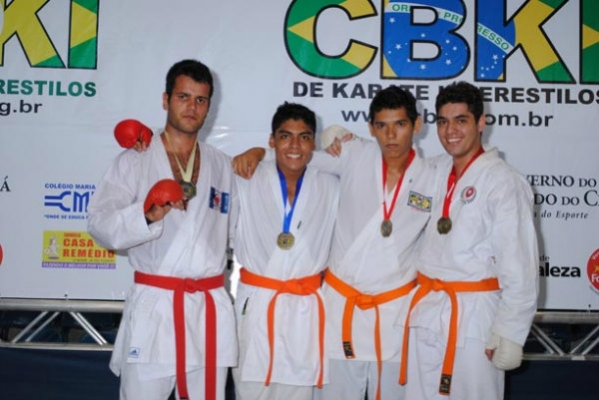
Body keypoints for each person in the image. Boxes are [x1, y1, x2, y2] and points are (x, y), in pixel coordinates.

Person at [234, 86, 437, 400]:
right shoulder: (355, 154)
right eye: (382, 126)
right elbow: (296, 158)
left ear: (417, 125)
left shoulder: (433, 176)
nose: (391, 135)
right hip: (342, 309)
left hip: (394, 314)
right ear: (370, 127)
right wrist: (258, 152)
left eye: (400, 124)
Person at [87, 59, 237, 400]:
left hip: (206, 312)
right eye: (183, 97)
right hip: (155, 310)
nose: (192, 107)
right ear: (165, 99)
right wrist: (146, 215)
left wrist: (257, 154)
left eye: (200, 100)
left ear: (209, 107)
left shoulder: (222, 165)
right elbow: (99, 224)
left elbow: (238, 231)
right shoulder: (135, 159)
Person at [399, 81, 539, 400]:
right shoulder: (435, 170)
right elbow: (391, 162)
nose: (450, 131)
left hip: (475, 319)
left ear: (481, 122)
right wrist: (346, 143)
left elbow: (519, 262)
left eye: (460, 120)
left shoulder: (503, 181)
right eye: (443, 121)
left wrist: (510, 330)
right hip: (428, 310)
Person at [230, 102, 339, 400]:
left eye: (304, 137)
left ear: (314, 143)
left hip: (304, 311)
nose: (294, 145)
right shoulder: (245, 178)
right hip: (257, 304)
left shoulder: (331, 186)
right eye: (285, 136)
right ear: (271, 140)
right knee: (251, 390)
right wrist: (257, 154)